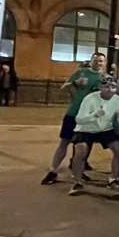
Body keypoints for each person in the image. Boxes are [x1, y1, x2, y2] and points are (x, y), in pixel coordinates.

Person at [42, 52, 106, 185]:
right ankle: (52, 170)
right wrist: (75, 83)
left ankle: (78, 171)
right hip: (74, 113)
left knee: (83, 146)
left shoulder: (105, 78)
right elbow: (63, 89)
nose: (98, 63)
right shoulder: (80, 73)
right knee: (64, 142)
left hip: (90, 117)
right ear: (91, 61)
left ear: (104, 63)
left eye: (101, 61)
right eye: (96, 60)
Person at [68, 75, 119, 196]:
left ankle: (114, 179)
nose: (109, 90)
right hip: (86, 129)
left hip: (106, 129)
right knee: (80, 150)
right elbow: (79, 119)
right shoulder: (90, 98)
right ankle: (77, 181)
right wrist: (95, 115)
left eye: (113, 87)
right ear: (100, 87)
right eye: (106, 86)